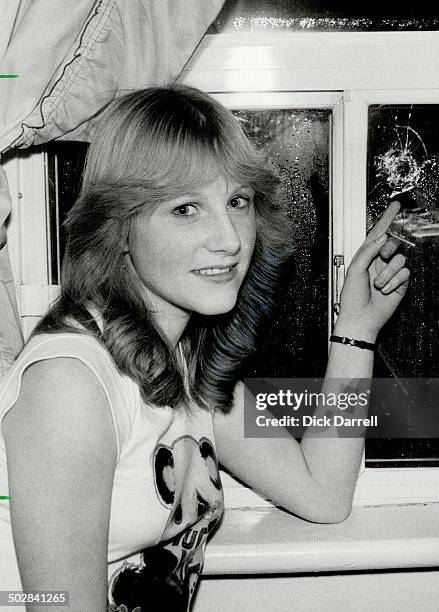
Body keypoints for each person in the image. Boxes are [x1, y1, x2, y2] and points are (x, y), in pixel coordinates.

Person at [0, 84, 409, 612]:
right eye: (186, 208)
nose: (231, 239)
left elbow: (323, 493)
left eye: (237, 202)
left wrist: (356, 330)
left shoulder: (183, 364)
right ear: (119, 228)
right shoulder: (71, 383)